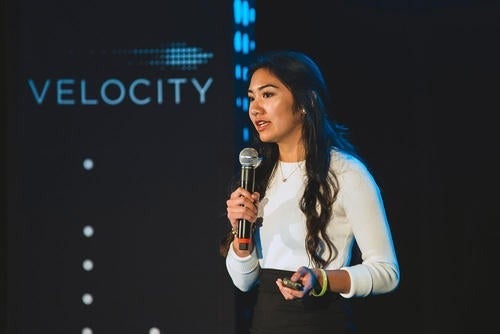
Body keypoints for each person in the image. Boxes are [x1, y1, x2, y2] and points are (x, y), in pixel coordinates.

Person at [219, 50, 400, 334]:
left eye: (267, 95)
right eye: (252, 97)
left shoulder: (346, 172)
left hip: (321, 323)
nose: (255, 108)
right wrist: (241, 235)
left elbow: (387, 273)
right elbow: (244, 282)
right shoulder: (257, 177)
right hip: (265, 324)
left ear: (305, 102)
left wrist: (321, 279)